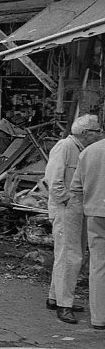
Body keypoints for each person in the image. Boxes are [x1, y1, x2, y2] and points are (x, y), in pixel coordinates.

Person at [44, 114, 101, 324]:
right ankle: (64, 304)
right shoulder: (65, 146)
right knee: (70, 256)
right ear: (86, 133)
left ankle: (56, 297)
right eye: (96, 131)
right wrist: (66, 201)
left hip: (76, 208)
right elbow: (53, 178)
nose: (99, 135)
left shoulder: (81, 149)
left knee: (70, 254)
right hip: (66, 208)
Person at [70, 119, 105, 331]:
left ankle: (99, 318)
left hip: (94, 214)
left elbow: (76, 187)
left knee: (98, 265)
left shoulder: (89, 152)